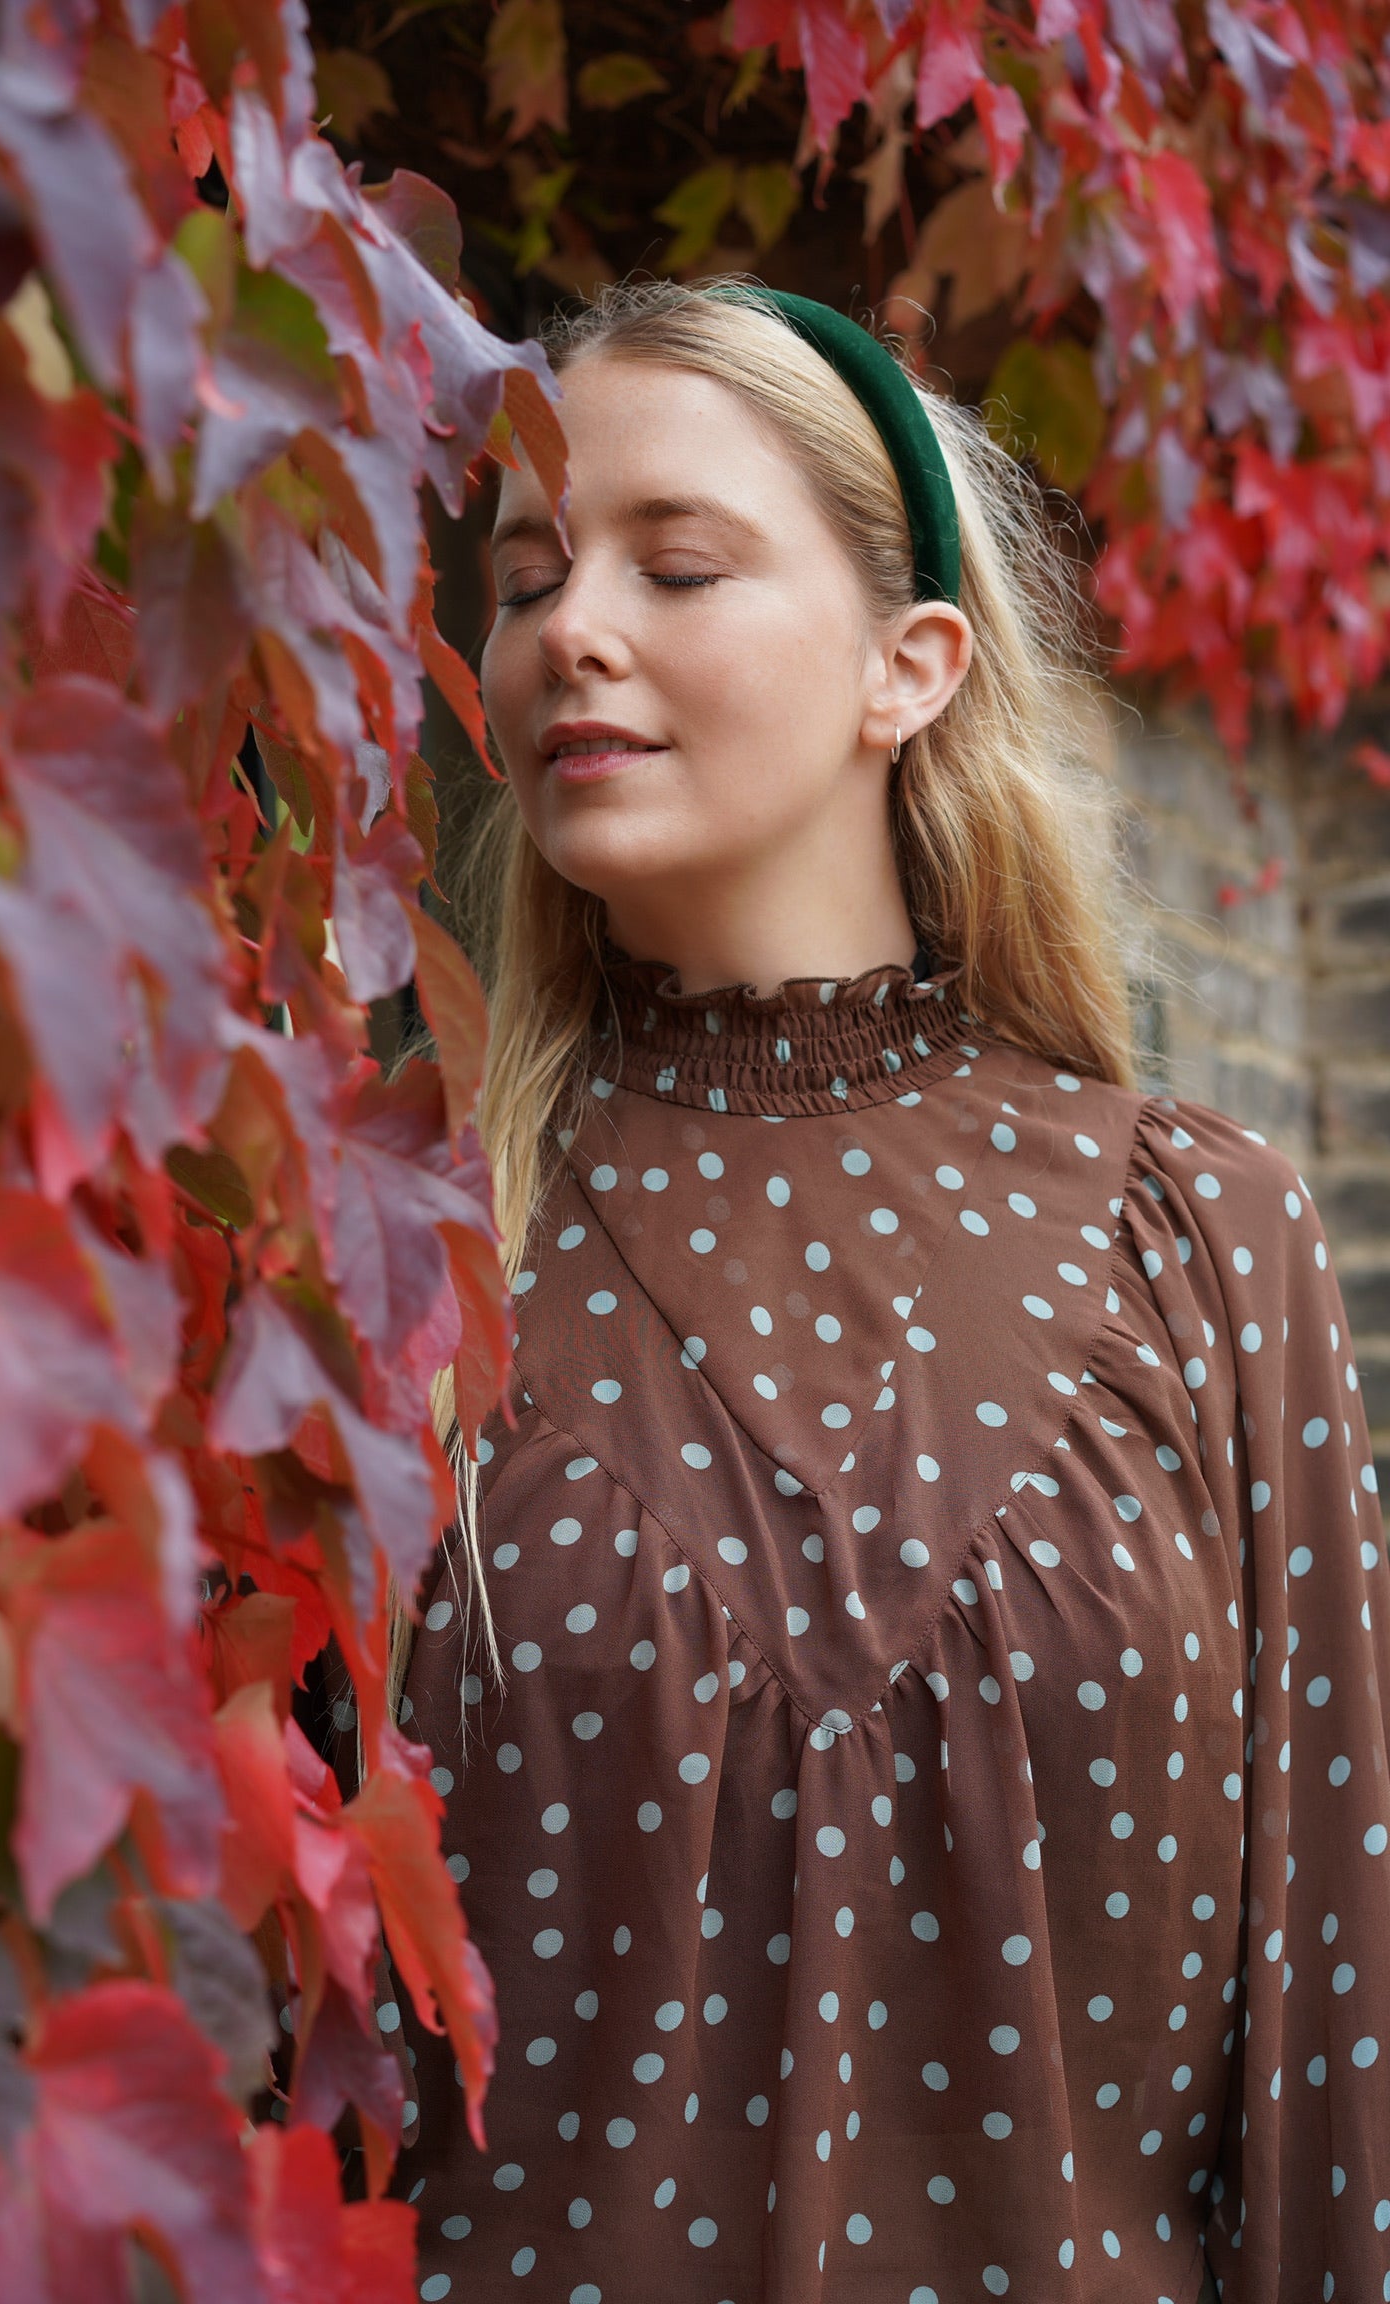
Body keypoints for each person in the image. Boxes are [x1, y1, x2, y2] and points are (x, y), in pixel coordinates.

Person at [381, 279, 1389, 2304]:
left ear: (908, 664)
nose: (569, 626)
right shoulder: (402, 1232)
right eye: (526, 576)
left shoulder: (1200, 1244)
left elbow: (1326, 2039)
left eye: (675, 563)